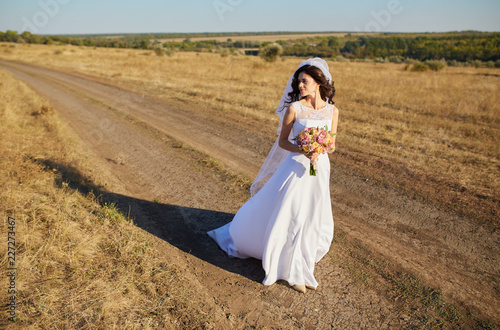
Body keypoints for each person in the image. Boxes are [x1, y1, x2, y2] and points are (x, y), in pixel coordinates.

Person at [208, 58, 339, 293]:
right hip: (296, 167)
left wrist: (321, 148)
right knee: (293, 213)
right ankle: (291, 269)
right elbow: (282, 142)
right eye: (298, 82)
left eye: (305, 81)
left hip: (319, 168)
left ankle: (302, 260)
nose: (300, 86)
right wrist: (304, 148)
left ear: (319, 83)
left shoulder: (332, 111)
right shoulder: (294, 108)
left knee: (311, 212)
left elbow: (333, 145)